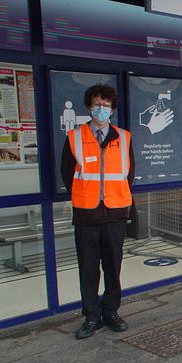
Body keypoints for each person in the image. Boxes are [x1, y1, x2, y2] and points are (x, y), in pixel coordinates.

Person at [60, 84, 135, 340]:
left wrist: (115, 198)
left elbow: (129, 174)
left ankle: (111, 311)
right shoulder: (75, 137)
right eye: (96, 105)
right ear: (89, 107)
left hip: (115, 213)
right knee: (88, 268)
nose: (101, 109)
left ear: (113, 109)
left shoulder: (124, 137)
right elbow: (67, 174)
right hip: (87, 214)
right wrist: (87, 195)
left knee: (113, 266)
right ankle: (91, 316)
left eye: (106, 105)